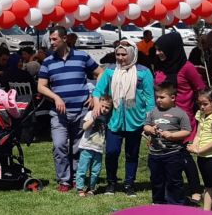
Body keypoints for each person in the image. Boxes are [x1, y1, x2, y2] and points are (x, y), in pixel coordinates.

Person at [37, 26, 103, 192]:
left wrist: (94, 94)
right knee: (59, 145)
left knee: (77, 147)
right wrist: (56, 97)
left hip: (81, 110)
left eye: (54, 39)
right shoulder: (47, 61)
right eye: (50, 39)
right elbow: (41, 86)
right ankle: (64, 180)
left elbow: (100, 73)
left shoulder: (82, 56)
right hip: (58, 113)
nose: (51, 42)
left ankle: (75, 178)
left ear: (64, 39)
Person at [92, 40, 155, 197]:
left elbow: (150, 98)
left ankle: (129, 184)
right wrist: (96, 105)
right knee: (112, 152)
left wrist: (149, 120)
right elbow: (97, 91)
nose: (120, 58)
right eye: (117, 54)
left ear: (132, 54)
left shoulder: (144, 72)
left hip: (136, 120)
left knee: (131, 154)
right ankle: (111, 183)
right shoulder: (110, 71)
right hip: (114, 120)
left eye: (123, 54)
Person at [155, 32, 206, 202]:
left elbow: (200, 89)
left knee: (184, 156)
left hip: (183, 119)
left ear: (171, 49)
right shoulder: (161, 67)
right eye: (156, 50)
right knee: (168, 155)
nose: (157, 53)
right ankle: (171, 188)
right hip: (163, 119)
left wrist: (202, 113)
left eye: (160, 50)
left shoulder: (187, 67)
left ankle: (195, 188)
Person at [144, 82, 192, 205]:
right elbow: (146, 126)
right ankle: (158, 202)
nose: (158, 100)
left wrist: (172, 135)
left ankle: (176, 204)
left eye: (162, 97)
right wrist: (150, 129)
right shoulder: (153, 112)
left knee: (174, 180)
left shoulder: (180, 113)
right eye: (157, 97)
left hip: (173, 153)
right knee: (156, 180)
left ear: (173, 98)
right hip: (155, 153)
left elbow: (187, 131)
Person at [188, 89, 212, 212]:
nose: (202, 107)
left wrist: (199, 150)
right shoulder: (201, 115)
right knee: (207, 185)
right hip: (202, 156)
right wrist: (194, 146)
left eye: (205, 104)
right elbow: (198, 134)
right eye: (199, 104)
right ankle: (206, 211)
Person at [76, 95, 113, 197]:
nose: (104, 109)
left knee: (96, 170)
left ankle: (91, 188)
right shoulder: (90, 114)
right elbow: (84, 127)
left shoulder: (107, 118)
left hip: (99, 149)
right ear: (98, 105)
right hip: (87, 147)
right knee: (83, 168)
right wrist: (93, 118)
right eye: (102, 106)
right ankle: (80, 188)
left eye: (107, 107)